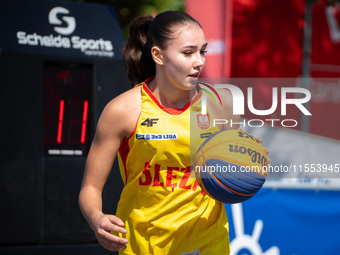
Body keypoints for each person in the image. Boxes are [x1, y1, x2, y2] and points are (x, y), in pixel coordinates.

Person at [79, 10, 266, 254]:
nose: (198, 61)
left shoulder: (222, 103)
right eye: (188, 53)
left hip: (208, 243)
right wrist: (96, 219)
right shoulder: (123, 110)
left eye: (203, 51)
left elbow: (231, 173)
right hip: (143, 246)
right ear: (158, 55)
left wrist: (251, 161)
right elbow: (90, 188)